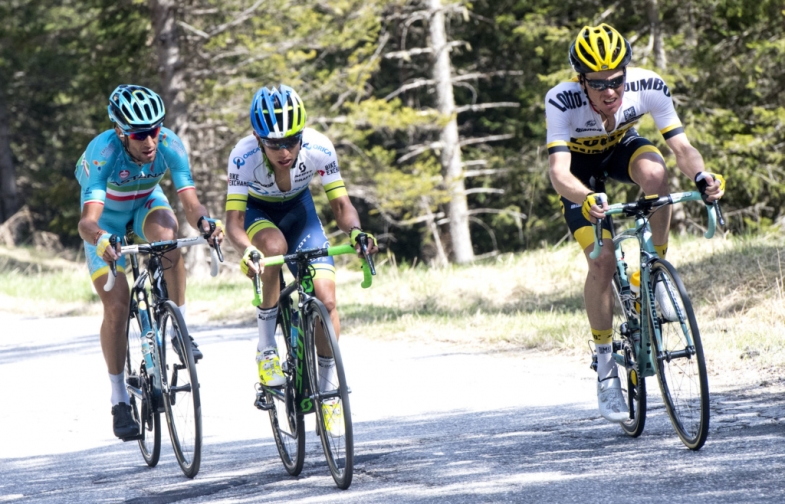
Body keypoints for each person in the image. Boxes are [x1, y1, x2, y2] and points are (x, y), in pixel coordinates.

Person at [544, 24, 724, 422]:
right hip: (579, 172)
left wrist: (701, 177)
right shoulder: (562, 100)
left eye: (616, 80)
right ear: (582, 81)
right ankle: (606, 366)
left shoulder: (648, 86)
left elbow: (681, 147)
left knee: (656, 175)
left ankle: (654, 274)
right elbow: (558, 171)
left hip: (622, 148)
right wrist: (585, 197)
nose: (609, 92)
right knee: (602, 261)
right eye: (598, 84)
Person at [224, 84, 377, 430]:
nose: (285, 151)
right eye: (274, 144)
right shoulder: (242, 156)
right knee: (273, 247)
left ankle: (329, 392)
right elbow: (233, 223)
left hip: (300, 213)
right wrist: (247, 250)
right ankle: (266, 349)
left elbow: (341, 206)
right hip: (259, 214)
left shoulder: (319, 147)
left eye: (292, 141)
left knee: (327, 299)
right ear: (257, 138)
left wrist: (356, 233)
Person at [75, 84, 224, 440]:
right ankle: (119, 399)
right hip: (106, 222)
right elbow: (87, 222)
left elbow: (190, 202)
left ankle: (178, 330)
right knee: (117, 306)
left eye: (155, 130)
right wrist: (101, 239)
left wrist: (205, 223)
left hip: (145, 204)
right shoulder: (103, 153)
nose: (150, 141)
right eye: (140, 134)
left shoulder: (169, 144)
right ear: (120, 132)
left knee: (169, 241)